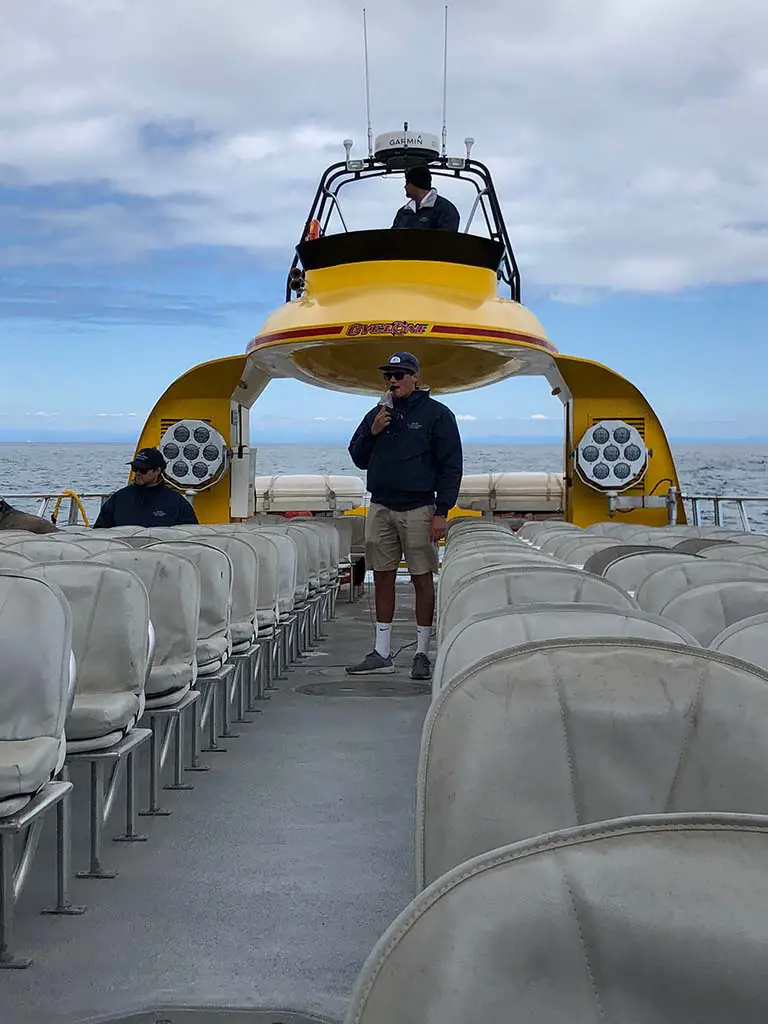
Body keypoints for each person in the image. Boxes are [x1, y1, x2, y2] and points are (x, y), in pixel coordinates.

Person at [346, 352, 463, 680]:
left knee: (421, 576)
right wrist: (373, 432)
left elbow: (451, 465)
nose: (393, 380)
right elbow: (357, 457)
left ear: (415, 377)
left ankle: (422, 652)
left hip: (419, 507)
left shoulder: (437, 415)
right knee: (381, 574)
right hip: (381, 506)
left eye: (400, 374)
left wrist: (442, 512)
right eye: (389, 375)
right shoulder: (377, 414)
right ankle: (382, 651)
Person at [93, 447, 198, 529]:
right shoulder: (118, 498)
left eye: (143, 470)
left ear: (157, 471)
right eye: (135, 468)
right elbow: (100, 531)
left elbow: (190, 535)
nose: (138, 473)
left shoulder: (176, 502)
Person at [391, 165, 460, 231]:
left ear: (414, 184)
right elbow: (392, 237)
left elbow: (447, 239)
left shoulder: (445, 209)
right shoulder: (403, 212)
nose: (405, 187)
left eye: (407, 183)